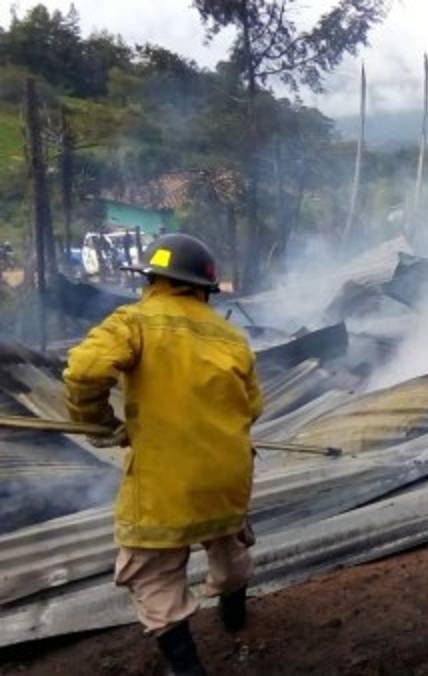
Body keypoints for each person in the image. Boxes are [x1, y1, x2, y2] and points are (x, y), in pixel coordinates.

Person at [63, 233, 261, 675]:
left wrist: (98, 423)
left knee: (151, 571)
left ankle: (189, 669)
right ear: (203, 288)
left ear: (153, 279)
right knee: (227, 540)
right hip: (229, 474)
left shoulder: (134, 320)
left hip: (164, 480)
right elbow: (253, 408)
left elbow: (84, 370)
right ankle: (234, 613)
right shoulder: (232, 337)